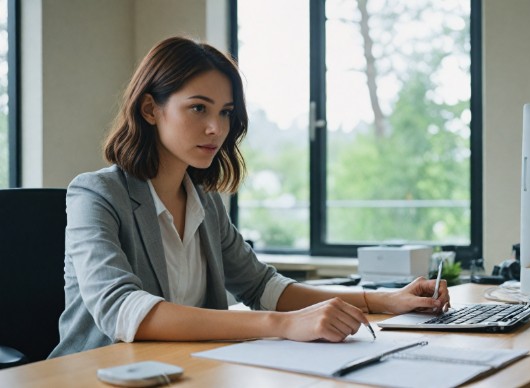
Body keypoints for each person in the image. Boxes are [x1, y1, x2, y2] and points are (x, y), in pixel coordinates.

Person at [50, 36, 450, 357]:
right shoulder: (95, 193)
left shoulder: (204, 203)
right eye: (198, 109)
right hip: (95, 375)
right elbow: (120, 309)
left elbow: (264, 289)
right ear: (151, 109)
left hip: (184, 372)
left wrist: (384, 300)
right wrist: (283, 324)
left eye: (225, 112)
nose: (215, 128)